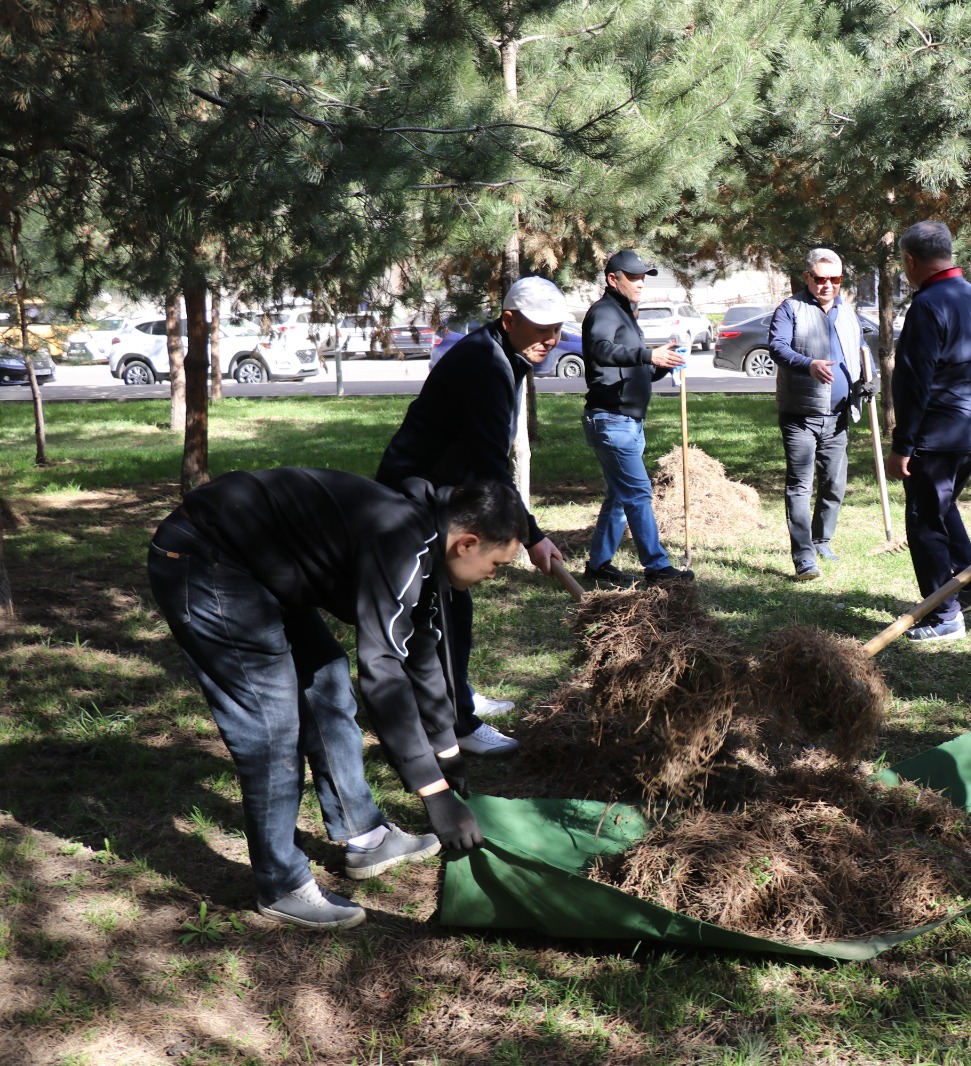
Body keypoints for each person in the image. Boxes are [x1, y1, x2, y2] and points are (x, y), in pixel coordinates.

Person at [147, 471, 524, 927]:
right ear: (467, 542)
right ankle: (282, 885)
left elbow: (420, 650)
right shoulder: (402, 541)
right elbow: (383, 672)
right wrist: (434, 794)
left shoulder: (430, 544)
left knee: (326, 684)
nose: (492, 576)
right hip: (207, 557)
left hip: (261, 564)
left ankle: (363, 835)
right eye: (497, 565)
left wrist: (445, 752)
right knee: (271, 728)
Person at [376, 277, 570, 757]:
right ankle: (458, 721)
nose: (552, 340)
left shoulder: (505, 353)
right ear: (510, 319)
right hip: (417, 494)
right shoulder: (484, 363)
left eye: (558, 329)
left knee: (454, 605)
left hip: (449, 493)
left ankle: (457, 692)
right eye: (542, 329)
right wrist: (532, 536)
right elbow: (490, 463)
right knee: (443, 607)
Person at [886, 221, 971, 641]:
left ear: (910, 261)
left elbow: (914, 381)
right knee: (943, 506)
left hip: (938, 430)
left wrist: (904, 444)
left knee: (925, 519)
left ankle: (943, 615)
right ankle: (970, 584)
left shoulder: (928, 305)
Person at [579, 249, 692, 588]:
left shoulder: (624, 313)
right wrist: (647, 353)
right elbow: (599, 349)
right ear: (613, 279)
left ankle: (598, 566)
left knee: (619, 495)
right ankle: (657, 567)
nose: (640, 282)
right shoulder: (603, 312)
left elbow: (632, 369)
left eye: (643, 276)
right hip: (611, 421)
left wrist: (659, 365)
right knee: (639, 493)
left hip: (626, 421)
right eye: (634, 276)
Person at [769, 247, 878, 579]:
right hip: (800, 414)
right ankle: (803, 556)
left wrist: (867, 382)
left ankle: (822, 541)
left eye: (835, 279)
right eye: (820, 278)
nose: (827, 285)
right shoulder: (791, 309)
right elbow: (777, 347)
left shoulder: (848, 312)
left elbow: (859, 352)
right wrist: (809, 365)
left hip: (839, 415)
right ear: (807, 277)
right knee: (801, 484)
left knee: (834, 483)